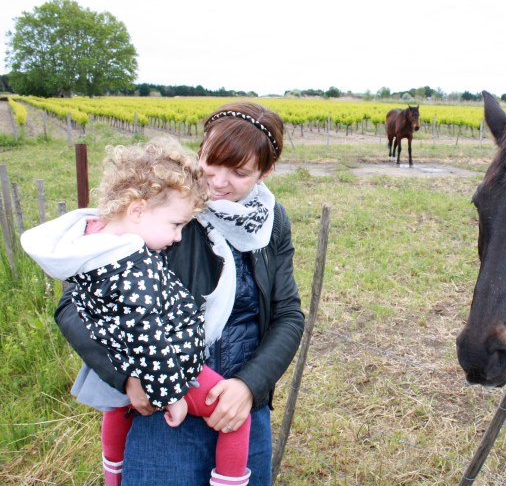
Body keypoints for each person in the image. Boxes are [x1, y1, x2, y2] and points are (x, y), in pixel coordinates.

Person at [52, 102, 305, 486]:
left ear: (265, 172)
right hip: (165, 411)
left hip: (240, 411)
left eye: (238, 172)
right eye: (212, 162)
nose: (218, 182)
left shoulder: (273, 222)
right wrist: (127, 379)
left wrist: (250, 387)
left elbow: (287, 314)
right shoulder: (163, 206)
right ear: (200, 149)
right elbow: (74, 303)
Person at [22, 141, 253, 486]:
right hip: (173, 366)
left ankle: (112, 476)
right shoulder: (134, 268)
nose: (177, 237)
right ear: (137, 211)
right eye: (175, 225)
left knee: (117, 408)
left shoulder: (92, 244)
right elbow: (150, 339)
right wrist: (172, 395)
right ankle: (229, 481)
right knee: (239, 419)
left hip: (122, 363)